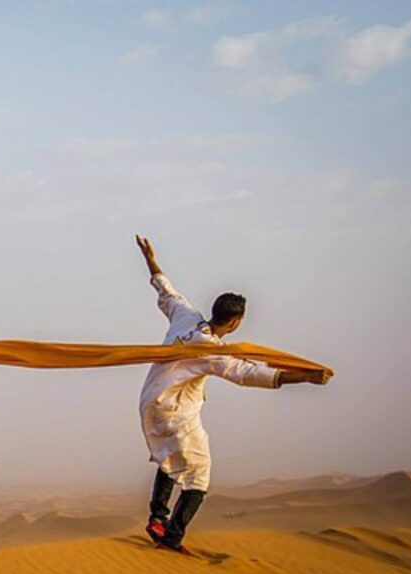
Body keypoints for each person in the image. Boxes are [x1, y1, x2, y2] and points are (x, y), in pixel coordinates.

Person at [135, 235, 330, 553]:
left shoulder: (185, 316)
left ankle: (158, 517)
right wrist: (306, 377)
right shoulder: (214, 352)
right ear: (236, 322)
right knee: (199, 475)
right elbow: (249, 374)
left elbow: (166, 290)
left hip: (151, 401)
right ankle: (172, 538)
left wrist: (150, 258)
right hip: (175, 411)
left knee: (171, 457)